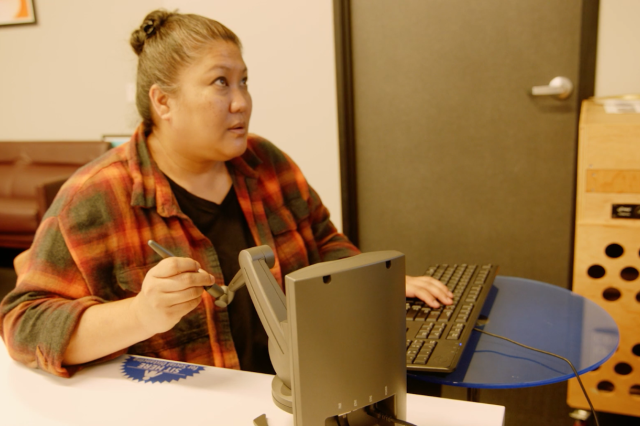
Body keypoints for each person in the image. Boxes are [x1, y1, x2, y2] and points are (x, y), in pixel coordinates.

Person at [0, 10, 452, 378]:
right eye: (220, 83)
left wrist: (374, 281)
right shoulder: (95, 196)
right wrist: (140, 314)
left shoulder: (265, 162)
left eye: (244, 81)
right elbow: (24, 324)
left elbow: (323, 243)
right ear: (163, 102)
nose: (241, 102)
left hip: (299, 387)